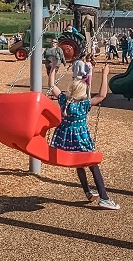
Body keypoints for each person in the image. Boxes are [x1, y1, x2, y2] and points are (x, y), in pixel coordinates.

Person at [47, 63, 119, 210]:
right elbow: (102, 95)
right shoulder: (83, 105)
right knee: (93, 165)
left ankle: (87, 192)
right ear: (83, 93)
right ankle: (104, 198)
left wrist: (53, 69)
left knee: (79, 164)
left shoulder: (64, 102)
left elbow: (52, 86)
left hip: (65, 141)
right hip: (81, 139)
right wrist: (105, 75)